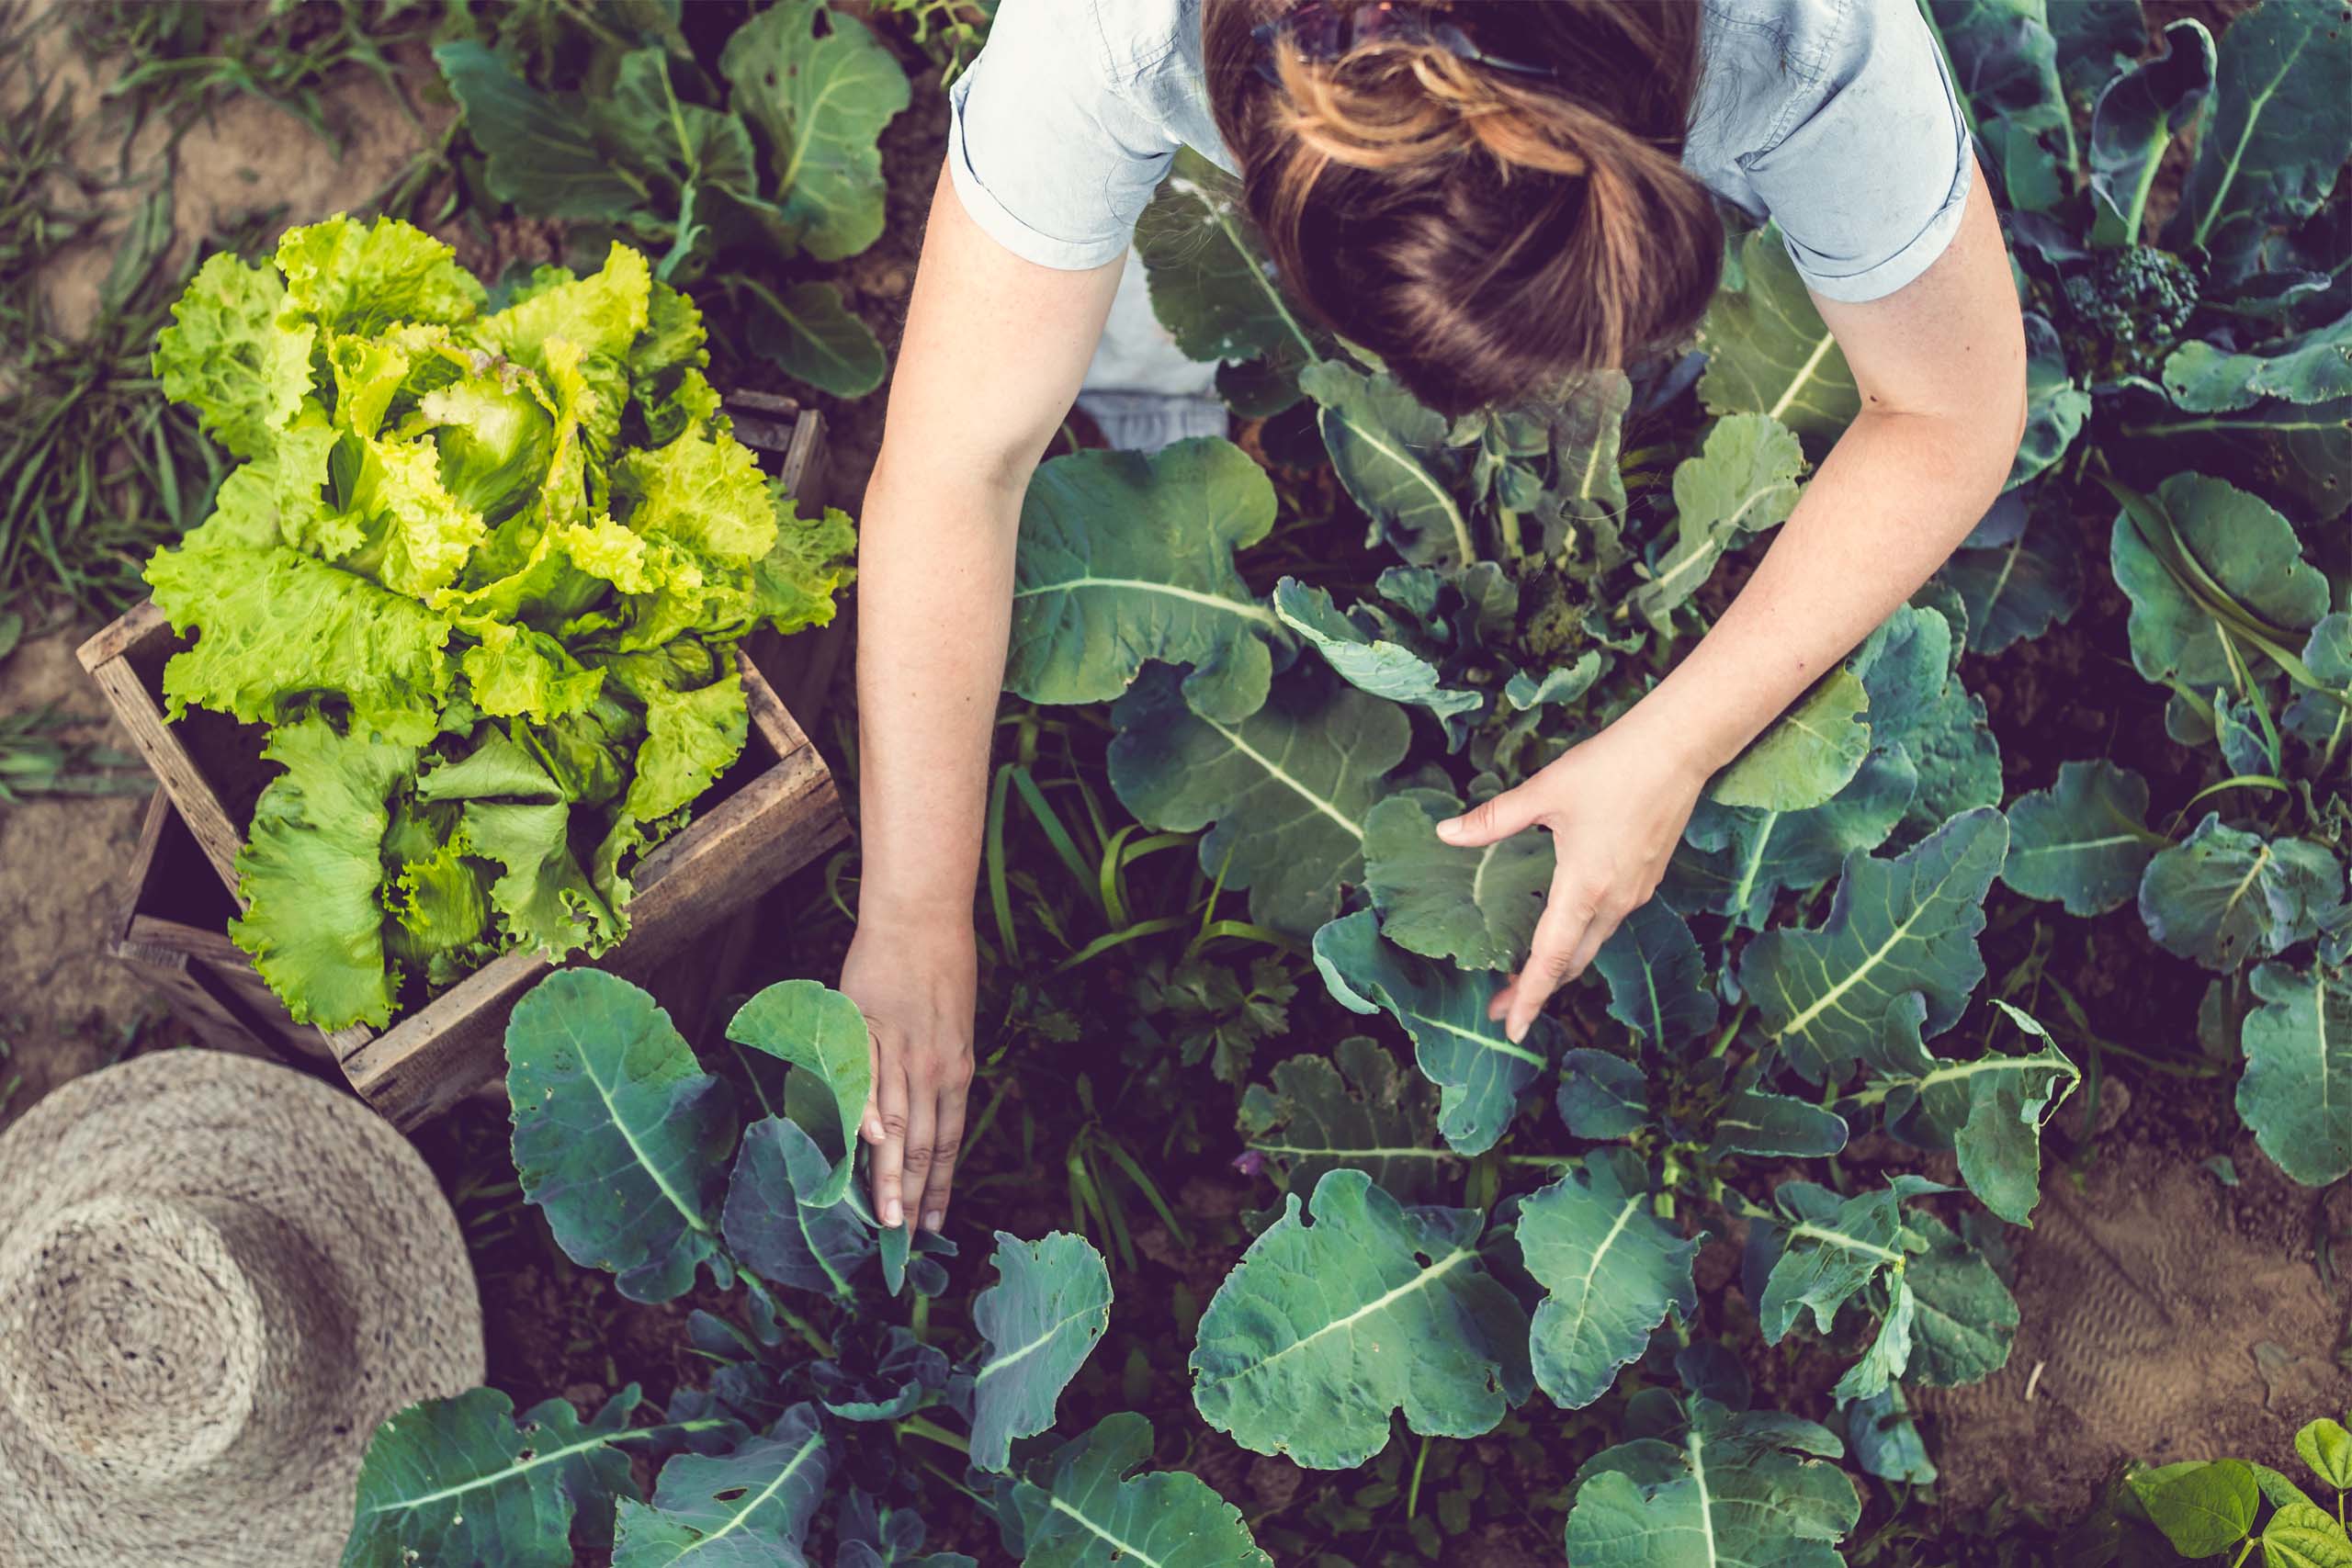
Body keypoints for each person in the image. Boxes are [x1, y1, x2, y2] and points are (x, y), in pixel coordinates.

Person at [841, 0, 2029, 1236]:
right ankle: (1149, 348)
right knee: (1097, 314)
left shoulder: (1803, 32)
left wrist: (1670, 747)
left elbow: (1954, 411)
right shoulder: (1109, 33)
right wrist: (913, 913)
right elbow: (952, 470)